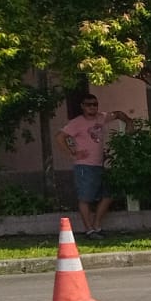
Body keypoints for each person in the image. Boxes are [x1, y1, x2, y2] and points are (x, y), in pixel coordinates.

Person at [58, 93, 132, 237]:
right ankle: (89, 229)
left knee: (109, 194)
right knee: (85, 198)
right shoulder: (77, 123)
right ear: (82, 106)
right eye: (88, 104)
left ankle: (97, 225)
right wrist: (72, 153)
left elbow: (118, 114)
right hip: (84, 166)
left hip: (99, 165)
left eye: (95, 104)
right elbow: (60, 137)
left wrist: (129, 122)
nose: (92, 107)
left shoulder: (101, 117)